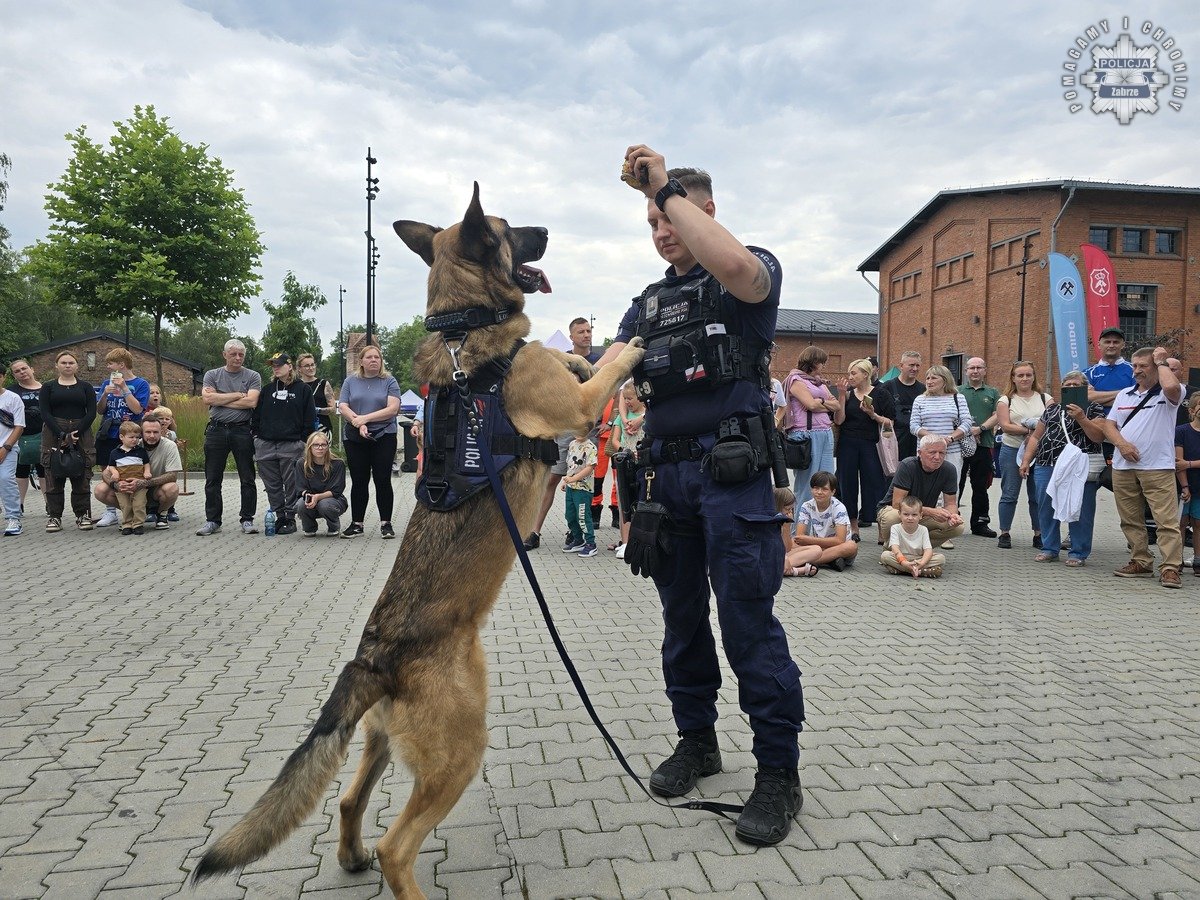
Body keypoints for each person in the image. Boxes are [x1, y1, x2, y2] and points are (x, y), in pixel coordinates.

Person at [595, 146, 803, 846]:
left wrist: (665, 183)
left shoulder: (750, 275)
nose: (660, 226)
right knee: (681, 624)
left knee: (748, 626)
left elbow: (740, 270)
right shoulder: (647, 304)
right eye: (651, 218)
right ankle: (698, 742)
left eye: (670, 212)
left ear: (703, 209)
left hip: (732, 481)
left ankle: (777, 772)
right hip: (665, 486)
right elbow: (601, 374)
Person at [1100, 346, 1184, 587]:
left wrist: (1161, 362)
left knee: (1165, 521)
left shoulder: (1169, 394)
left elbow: (1171, 387)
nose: (1136, 371)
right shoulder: (1125, 394)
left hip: (1157, 466)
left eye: (1143, 366)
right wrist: (1122, 445)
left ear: (1156, 367)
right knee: (1130, 518)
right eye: (1134, 366)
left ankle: (1170, 568)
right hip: (1122, 466)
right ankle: (1141, 560)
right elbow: (1108, 425)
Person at [522, 316, 602, 550]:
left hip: (589, 432)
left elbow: (612, 392)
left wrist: (609, 420)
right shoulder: (564, 362)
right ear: (572, 336)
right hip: (566, 429)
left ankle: (576, 532)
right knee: (552, 480)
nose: (586, 335)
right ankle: (533, 531)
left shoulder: (599, 361)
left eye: (588, 331)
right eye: (581, 332)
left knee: (581, 484)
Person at [1018, 371, 1106, 566]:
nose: (1072, 388)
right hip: (1046, 463)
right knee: (1046, 506)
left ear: (1085, 389)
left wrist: (1082, 418)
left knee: (1080, 508)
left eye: (1076, 386)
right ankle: (1049, 548)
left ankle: (1078, 552)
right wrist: (1026, 460)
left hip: (1079, 467)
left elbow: (1098, 437)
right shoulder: (1052, 410)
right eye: (1068, 385)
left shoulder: (1094, 408)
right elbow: (1035, 437)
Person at [197, 339, 262, 536]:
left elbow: (251, 402)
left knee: (247, 476)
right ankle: (213, 520)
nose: (237, 358)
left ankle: (247, 519)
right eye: (233, 354)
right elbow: (207, 399)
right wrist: (236, 395)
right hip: (216, 430)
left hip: (242, 430)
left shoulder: (253, 376)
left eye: (241, 354)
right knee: (213, 477)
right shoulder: (212, 375)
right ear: (224, 354)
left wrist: (221, 400)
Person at [337, 343, 401, 539]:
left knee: (382, 479)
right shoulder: (351, 381)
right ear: (362, 361)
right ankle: (357, 523)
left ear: (381, 361)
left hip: (384, 435)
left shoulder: (389, 381)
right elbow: (343, 406)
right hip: (355, 436)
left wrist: (366, 419)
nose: (374, 360)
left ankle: (386, 523)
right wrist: (358, 423)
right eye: (369, 357)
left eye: (377, 357)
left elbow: (393, 409)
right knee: (359, 480)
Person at [252, 352, 316, 536]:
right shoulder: (267, 389)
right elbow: (256, 415)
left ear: (290, 367)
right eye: (273, 365)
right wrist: (256, 436)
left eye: (279, 364)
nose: (275, 367)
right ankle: (279, 516)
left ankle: (290, 517)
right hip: (266, 444)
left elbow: (310, 417)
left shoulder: (302, 389)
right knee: (272, 484)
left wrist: (303, 440)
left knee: (291, 483)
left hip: (292, 444)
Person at [833, 358, 894, 542]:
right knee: (847, 485)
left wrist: (872, 414)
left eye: (854, 373)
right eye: (849, 373)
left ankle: (880, 528)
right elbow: (839, 421)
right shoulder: (849, 394)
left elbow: (891, 422)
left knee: (875, 486)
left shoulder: (882, 394)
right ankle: (853, 527)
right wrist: (842, 396)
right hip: (848, 445)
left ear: (865, 374)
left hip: (871, 445)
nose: (850, 377)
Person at [92, 349, 151, 528]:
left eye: (111, 364)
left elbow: (138, 410)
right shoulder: (105, 383)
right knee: (108, 472)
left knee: (133, 471)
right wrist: (104, 394)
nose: (108, 367)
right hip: (108, 433)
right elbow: (100, 410)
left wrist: (124, 389)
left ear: (121, 365)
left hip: (130, 434)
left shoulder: (141, 384)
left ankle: (136, 508)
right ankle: (111, 512)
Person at [39, 351, 97, 532]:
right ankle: (55, 517)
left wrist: (76, 432)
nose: (67, 365)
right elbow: (45, 413)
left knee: (82, 473)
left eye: (71, 362)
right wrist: (62, 435)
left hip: (82, 430)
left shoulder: (85, 387)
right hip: (53, 430)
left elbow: (91, 413)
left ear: (77, 365)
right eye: (63, 362)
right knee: (53, 473)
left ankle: (82, 515)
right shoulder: (48, 387)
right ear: (56, 365)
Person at [995, 360, 1049, 550]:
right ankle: (1004, 532)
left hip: (1039, 452)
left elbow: (1051, 423)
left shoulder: (1045, 398)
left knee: (1037, 496)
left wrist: (1033, 433)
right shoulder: (1006, 400)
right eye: (1020, 375)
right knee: (1009, 494)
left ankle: (1039, 533)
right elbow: (1005, 426)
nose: (1025, 378)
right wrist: (1030, 431)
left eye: (1028, 374)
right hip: (1011, 450)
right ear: (1013, 378)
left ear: (1034, 377)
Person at [877, 435, 965, 549]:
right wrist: (932, 512)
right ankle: (894, 546)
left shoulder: (949, 469)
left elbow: (951, 503)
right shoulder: (907, 465)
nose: (937, 457)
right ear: (920, 453)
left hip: (922, 514)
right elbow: (897, 503)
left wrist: (953, 516)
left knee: (958, 527)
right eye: (932, 452)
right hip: (896, 510)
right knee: (892, 517)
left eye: (942, 453)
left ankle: (916, 548)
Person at [94, 417, 181, 529]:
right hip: (129, 491)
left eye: (155, 432)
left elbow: (172, 476)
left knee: (172, 488)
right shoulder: (130, 444)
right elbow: (106, 473)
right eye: (148, 432)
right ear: (141, 433)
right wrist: (116, 485)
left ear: (161, 432)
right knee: (100, 490)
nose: (152, 436)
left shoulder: (169, 446)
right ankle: (130, 515)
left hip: (155, 490)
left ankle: (161, 514)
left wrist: (144, 483)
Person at [782, 346, 838, 509]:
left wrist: (819, 403)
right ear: (812, 362)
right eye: (822, 362)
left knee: (827, 481)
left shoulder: (819, 382)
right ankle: (800, 529)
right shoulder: (795, 380)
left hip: (826, 432)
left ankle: (822, 527)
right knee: (807, 485)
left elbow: (835, 405)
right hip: (806, 435)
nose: (823, 366)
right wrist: (822, 403)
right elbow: (810, 404)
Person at [957, 357, 1000, 537]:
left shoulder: (993, 392)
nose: (975, 371)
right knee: (955, 483)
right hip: (959, 445)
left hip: (984, 445)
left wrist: (980, 428)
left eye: (979, 368)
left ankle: (980, 523)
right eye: (971, 368)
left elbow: (998, 415)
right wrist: (965, 430)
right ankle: (951, 519)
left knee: (980, 485)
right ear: (966, 371)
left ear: (985, 370)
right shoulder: (957, 391)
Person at [909, 365, 974, 483]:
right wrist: (935, 440)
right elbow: (914, 426)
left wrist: (950, 438)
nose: (929, 381)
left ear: (945, 380)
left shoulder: (958, 398)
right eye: (927, 378)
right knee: (926, 488)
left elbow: (967, 422)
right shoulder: (920, 399)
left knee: (950, 488)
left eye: (933, 378)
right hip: (926, 452)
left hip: (951, 451)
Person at [791, 470, 858, 571]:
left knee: (851, 546)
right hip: (818, 547)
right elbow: (800, 537)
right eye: (816, 488)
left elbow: (839, 540)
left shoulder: (839, 507)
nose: (819, 492)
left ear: (833, 491)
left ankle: (805, 561)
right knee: (792, 542)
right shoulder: (806, 506)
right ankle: (829, 561)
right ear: (811, 489)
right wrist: (808, 541)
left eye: (824, 489)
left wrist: (810, 540)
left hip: (837, 547)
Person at [293, 431, 348, 536]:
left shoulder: (338, 463)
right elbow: (300, 488)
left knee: (324, 505)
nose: (320, 448)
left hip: (332, 500)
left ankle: (333, 526)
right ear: (310, 446)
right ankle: (309, 528)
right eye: (316, 445)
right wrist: (308, 496)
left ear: (328, 446)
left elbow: (336, 490)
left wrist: (318, 497)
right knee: (301, 504)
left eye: (323, 445)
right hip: (310, 496)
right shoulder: (301, 463)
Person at [103, 421, 151, 535]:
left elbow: (146, 464)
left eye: (137, 437)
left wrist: (147, 472)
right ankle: (127, 524)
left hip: (139, 483)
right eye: (131, 437)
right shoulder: (115, 452)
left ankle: (138, 524)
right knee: (125, 505)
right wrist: (114, 473)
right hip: (122, 484)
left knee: (139, 504)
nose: (134, 440)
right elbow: (111, 466)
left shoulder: (141, 451)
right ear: (121, 437)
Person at [9, 360, 44, 511]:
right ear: (13, 375)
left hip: (43, 435)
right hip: (19, 436)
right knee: (20, 471)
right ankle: (19, 505)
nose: (22, 372)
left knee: (44, 470)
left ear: (32, 369)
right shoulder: (11, 392)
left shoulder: (46, 389)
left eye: (24, 368)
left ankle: (50, 505)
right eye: (17, 371)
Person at [881, 495, 944, 577]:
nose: (910, 518)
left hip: (918, 558)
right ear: (899, 514)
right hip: (901, 557)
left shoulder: (923, 529)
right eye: (906, 514)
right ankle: (921, 571)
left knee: (941, 558)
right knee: (885, 556)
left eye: (914, 515)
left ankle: (903, 570)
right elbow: (895, 548)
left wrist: (922, 563)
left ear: (920, 515)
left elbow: (928, 550)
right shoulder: (895, 528)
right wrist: (904, 562)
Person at [560, 428, 598, 557]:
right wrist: (566, 481)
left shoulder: (590, 447)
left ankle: (591, 544)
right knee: (570, 515)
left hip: (583, 489)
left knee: (582, 516)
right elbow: (571, 466)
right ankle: (578, 540)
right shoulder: (572, 444)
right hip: (571, 487)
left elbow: (589, 468)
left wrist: (573, 479)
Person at [0, 360, 26, 536]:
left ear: (2, 377)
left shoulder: (12, 398)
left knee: (5, 479)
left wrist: (6, 447)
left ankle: (13, 517)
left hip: (7, 448)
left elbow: (19, 426)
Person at [882, 351, 924, 461]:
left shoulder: (923, 390)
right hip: (894, 442)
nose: (915, 369)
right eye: (911, 365)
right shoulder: (887, 387)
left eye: (917, 365)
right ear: (901, 366)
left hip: (916, 443)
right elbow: (882, 417)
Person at [1176, 394, 1200, 576]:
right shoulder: (1181, 431)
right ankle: (1177, 559)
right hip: (1183, 484)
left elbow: (1185, 463)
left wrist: (1190, 464)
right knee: (1181, 523)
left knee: (1198, 523)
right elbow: (1179, 461)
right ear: (1192, 410)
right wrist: (1184, 486)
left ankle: (1198, 559)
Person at [774, 486, 819, 577]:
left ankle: (783, 567)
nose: (790, 512)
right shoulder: (769, 520)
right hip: (770, 556)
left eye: (791, 509)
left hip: (780, 555)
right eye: (787, 509)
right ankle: (793, 570)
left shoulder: (785, 518)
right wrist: (784, 557)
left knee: (817, 550)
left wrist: (787, 527)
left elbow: (787, 549)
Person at [296, 352, 336, 436]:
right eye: (307, 366)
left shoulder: (323, 384)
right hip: (300, 428)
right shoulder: (296, 385)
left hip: (321, 427)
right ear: (299, 369)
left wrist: (317, 410)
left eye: (312, 364)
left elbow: (333, 409)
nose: (311, 368)